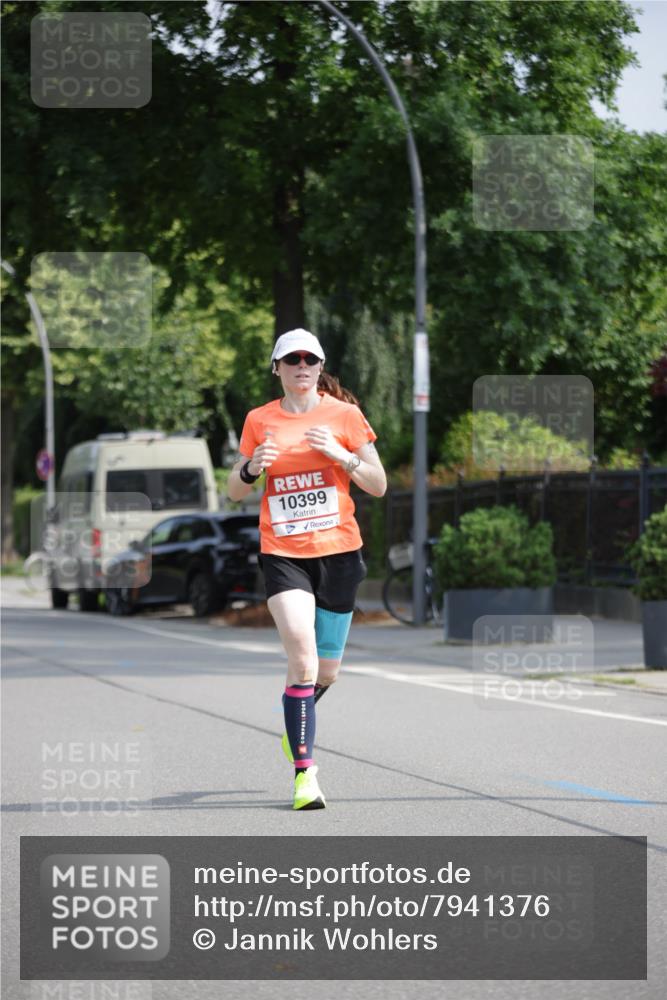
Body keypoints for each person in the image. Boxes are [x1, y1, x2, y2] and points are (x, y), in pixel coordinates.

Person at [227, 328, 387, 810]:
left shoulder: (345, 416)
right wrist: (252, 466)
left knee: (327, 673)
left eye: (310, 359)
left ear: (320, 367)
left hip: (339, 553)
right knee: (302, 658)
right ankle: (305, 775)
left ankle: (297, 723)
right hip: (284, 553)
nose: (301, 365)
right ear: (276, 368)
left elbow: (377, 484)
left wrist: (342, 455)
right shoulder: (260, 420)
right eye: (291, 359)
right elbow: (234, 491)